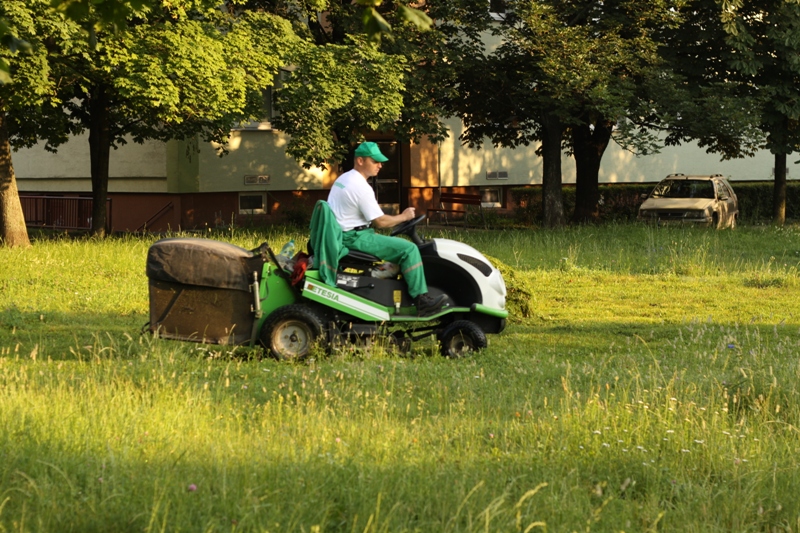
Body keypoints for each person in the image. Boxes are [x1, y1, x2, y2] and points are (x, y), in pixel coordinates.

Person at [327, 141, 447, 316]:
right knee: (409, 249)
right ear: (360, 161)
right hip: (353, 237)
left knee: (396, 247)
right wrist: (404, 217)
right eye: (375, 161)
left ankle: (383, 278)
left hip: (343, 234)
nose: (380, 165)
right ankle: (421, 300)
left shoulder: (344, 178)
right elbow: (381, 222)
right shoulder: (360, 187)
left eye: (380, 161)